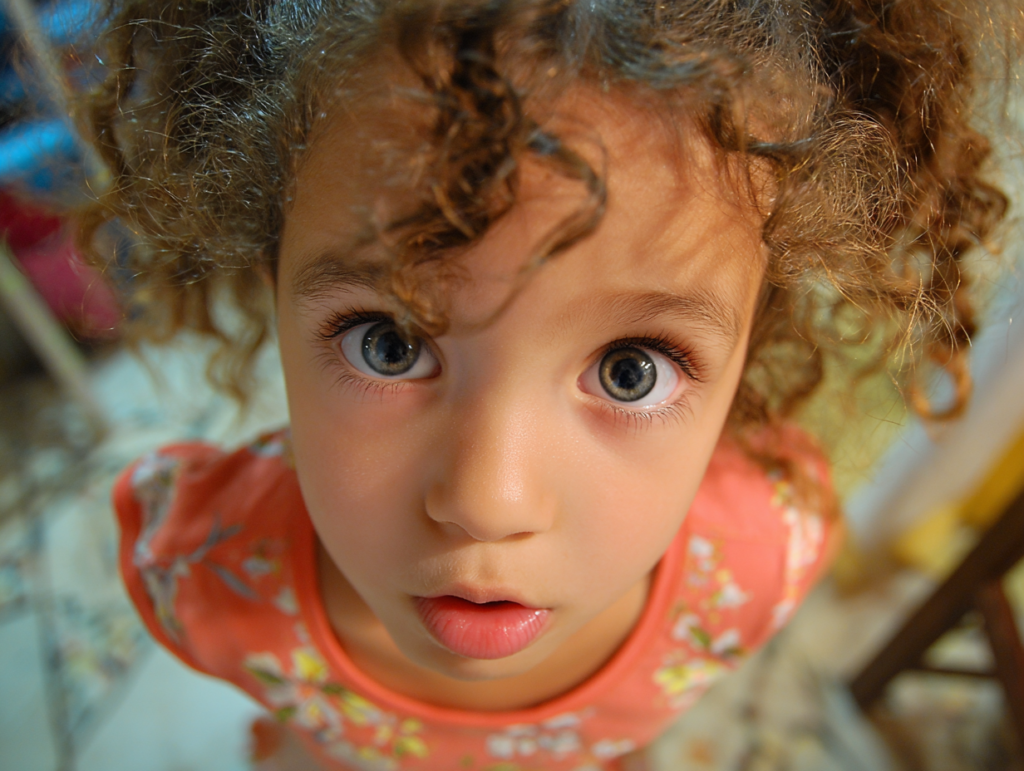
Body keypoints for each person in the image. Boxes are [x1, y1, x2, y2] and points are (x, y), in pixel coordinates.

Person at [80, 1, 1017, 769]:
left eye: (629, 369)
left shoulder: (753, 563)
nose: (488, 501)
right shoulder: (209, 574)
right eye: (389, 343)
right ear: (267, 282)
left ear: (749, 347)